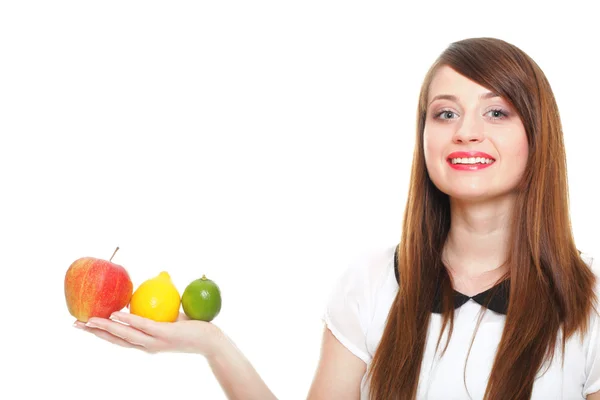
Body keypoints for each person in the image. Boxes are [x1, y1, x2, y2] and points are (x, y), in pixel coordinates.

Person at [73, 37, 600, 400]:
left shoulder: (592, 304)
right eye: (445, 112)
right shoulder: (370, 282)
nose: (465, 131)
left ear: (538, 135)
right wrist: (212, 345)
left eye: (496, 111)